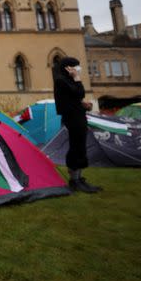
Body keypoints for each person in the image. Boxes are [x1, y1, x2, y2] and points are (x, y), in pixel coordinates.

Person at [53, 56, 102, 193]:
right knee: (76, 147)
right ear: (68, 68)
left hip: (78, 116)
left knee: (80, 147)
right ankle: (74, 180)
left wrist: (82, 105)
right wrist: (77, 77)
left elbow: (73, 97)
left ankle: (79, 178)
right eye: (75, 66)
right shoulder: (61, 81)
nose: (77, 69)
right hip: (72, 118)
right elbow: (79, 92)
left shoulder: (66, 81)